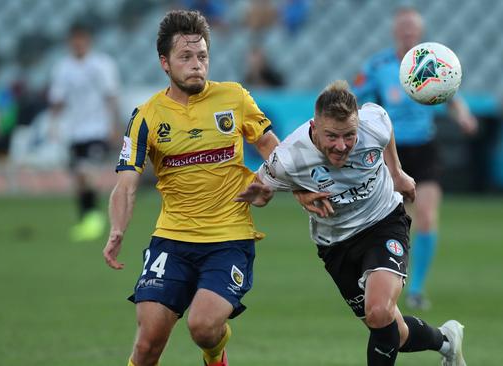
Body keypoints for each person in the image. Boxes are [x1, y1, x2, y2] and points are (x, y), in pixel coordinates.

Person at [237, 80, 466, 366]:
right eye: (332, 136)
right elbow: (263, 188)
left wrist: (396, 172)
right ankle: (447, 342)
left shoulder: (373, 124)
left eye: (349, 135)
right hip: (335, 244)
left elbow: (384, 121)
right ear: (314, 126)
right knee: (395, 332)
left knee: (379, 312)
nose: (342, 145)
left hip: (383, 221)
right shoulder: (288, 158)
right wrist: (279, 194)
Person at [102, 10, 279, 366]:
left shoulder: (234, 98)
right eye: (186, 57)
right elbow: (126, 184)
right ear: (164, 62)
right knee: (148, 342)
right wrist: (118, 229)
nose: (196, 64)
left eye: (202, 56)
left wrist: (271, 183)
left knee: (203, 326)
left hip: (229, 239)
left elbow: (273, 149)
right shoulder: (146, 116)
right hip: (173, 239)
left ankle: (214, 354)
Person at [352, 7, 477, 310]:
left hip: (424, 148)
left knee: (427, 216)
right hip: (390, 150)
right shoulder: (378, 64)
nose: (408, 31)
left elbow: (451, 94)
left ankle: (417, 288)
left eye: (413, 27)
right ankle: (384, 276)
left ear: (419, 32)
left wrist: (464, 115)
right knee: (390, 219)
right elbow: (355, 99)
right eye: (403, 26)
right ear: (396, 30)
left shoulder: (432, 59)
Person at [48, 21, 121, 242]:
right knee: (78, 178)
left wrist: (114, 125)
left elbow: (111, 96)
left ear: (88, 40)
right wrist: (53, 123)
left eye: (81, 39)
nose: (78, 43)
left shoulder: (101, 65)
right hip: (74, 130)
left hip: (97, 129)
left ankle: (95, 219)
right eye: (74, 39)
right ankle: (86, 218)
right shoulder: (63, 68)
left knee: (87, 172)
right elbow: (57, 100)